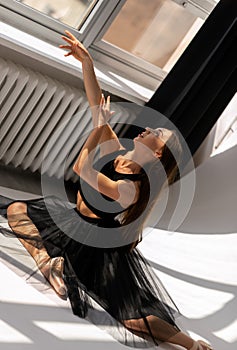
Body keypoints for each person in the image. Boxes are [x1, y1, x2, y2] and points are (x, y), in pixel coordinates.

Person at [0, 30, 213, 350]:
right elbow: (97, 103)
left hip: (96, 249)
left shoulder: (131, 188)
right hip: (74, 222)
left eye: (155, 133)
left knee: (132, 318)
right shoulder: (120, 153)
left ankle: (191, 343)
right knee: (18, 210)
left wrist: (98, 128)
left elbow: (81, 169)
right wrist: (87, 62)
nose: (145, 130)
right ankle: (52, 267)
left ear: (157, 153)